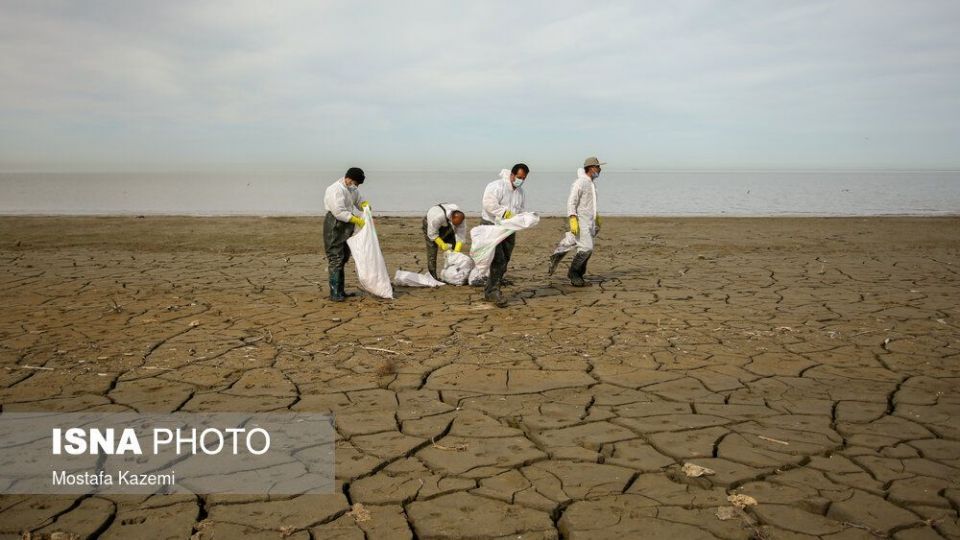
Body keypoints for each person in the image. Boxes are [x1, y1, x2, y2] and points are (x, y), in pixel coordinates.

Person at [548, 157, 604, 286]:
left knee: (576, 243)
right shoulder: (580, 183)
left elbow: (590, 204)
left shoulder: (591, 183)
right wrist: (572, 217)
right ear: (591, 168)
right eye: (598, 167)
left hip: (589, 221)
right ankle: (574, 274)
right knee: (586, 248)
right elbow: (571, 201)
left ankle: (559, 256)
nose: (600, 169)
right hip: (581, 221)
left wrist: (596, 217)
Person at [480, 163, 529, 307]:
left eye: (524, 178)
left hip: (509, 228)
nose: (521, 180)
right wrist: (504, 213)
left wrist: (523, 219)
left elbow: (520, 209)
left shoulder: (520, 192)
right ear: (512, 175)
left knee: (505, 259)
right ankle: (493, 292)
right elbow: (488, 204)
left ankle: (491, 288)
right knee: (498, 259)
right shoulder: (497, 186)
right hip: (492, 225)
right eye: (519, 177)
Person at [323, 167, 370, 301]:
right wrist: (355, 219)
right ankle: (335, 293)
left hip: (347, 224)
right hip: (335, 224)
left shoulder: (352, 189)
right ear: (348, 178)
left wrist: (364, 205)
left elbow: (358, 201)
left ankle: (341, 291)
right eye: (355, 183)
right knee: (336, 257)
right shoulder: (335, 189)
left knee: (344, 257)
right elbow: (338, 211)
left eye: (358, 184)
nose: (356, 186)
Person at [423, 203, 467, 279]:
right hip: (430, 224)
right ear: (451, 218)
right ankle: (433, 276)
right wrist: (442, 244)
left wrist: (456, 250)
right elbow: (432, 234)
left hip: (446, 224)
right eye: (455, 224)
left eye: (458, 224)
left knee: (453, 245)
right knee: (432, 251)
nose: (457, 226)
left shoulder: (460, 218)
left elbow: (460, 235)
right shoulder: (437, 217)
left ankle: (451, 273)